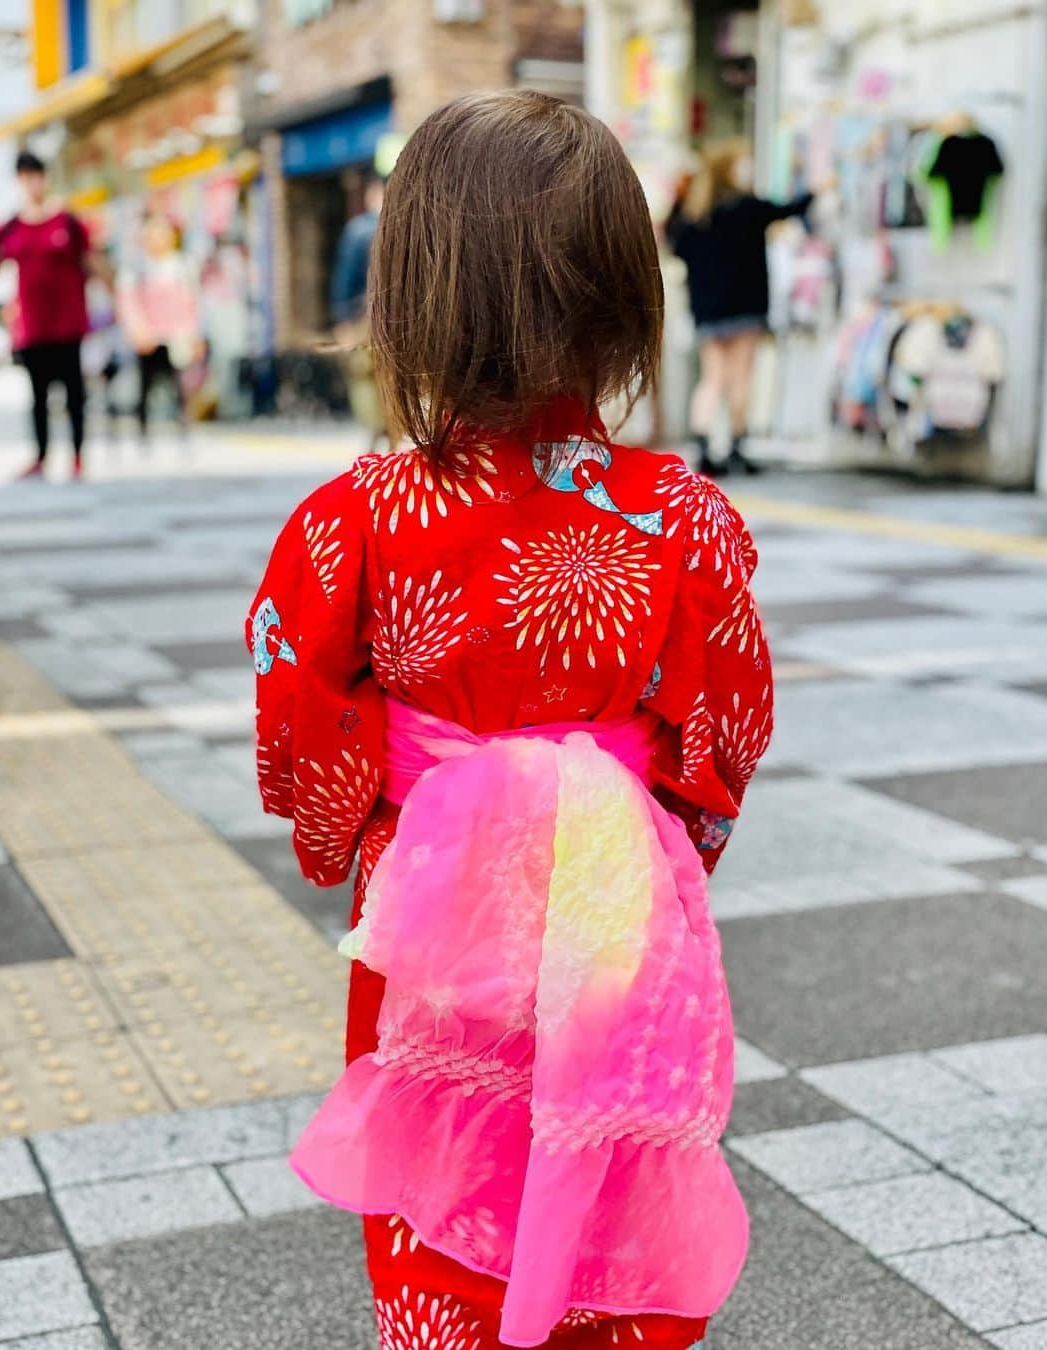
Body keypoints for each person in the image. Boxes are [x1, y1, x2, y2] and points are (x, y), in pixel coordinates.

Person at [248, 92, 772, 1350]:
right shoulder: (680, 518)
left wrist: (375, 839)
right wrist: (656, 842)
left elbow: (299, 731)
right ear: (622, 297)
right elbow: (725, 735)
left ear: (412, 297)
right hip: (612, 910)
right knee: (605, 1178)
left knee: (442, 1179)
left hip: (435, 914)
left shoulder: (351, 520)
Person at [667, 137, 814, 477]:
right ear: (729, 170)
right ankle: (737, 447)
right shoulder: (747, 208)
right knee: (741, 378)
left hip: (707, 309)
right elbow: (789, 209)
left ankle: (703, 446)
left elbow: (677, 248)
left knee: (712, 378)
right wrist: (816, 187)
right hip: (745, 307)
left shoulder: (694, 215)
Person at [0, 151, 91, 480]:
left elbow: (92, 263)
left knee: (74, 394)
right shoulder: (10, 226)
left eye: (36, 175)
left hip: (68, 324)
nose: (32, 182)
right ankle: (41, 456)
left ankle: (78, 456)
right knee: (37, 397)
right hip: (32, 327)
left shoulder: (67, 221)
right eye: (25, 176)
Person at [117, 212, 200, 440]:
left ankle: (183, 427)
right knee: (146, 386)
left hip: (176, 337)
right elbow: (128, 303)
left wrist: (192, 334)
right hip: (148, 337)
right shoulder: (137, 268)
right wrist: (138, 331)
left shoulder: (182, 266)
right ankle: (143, 430)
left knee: (179, 386)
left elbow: (192, 303)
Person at [330, 177, 387, 440]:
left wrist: (342, 319)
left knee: (365, 376)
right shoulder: (405, 226)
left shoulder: (360, 229)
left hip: (364, 317)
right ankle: (389, 429)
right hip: (395, 318)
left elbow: (345, 278)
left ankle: (378, 430)